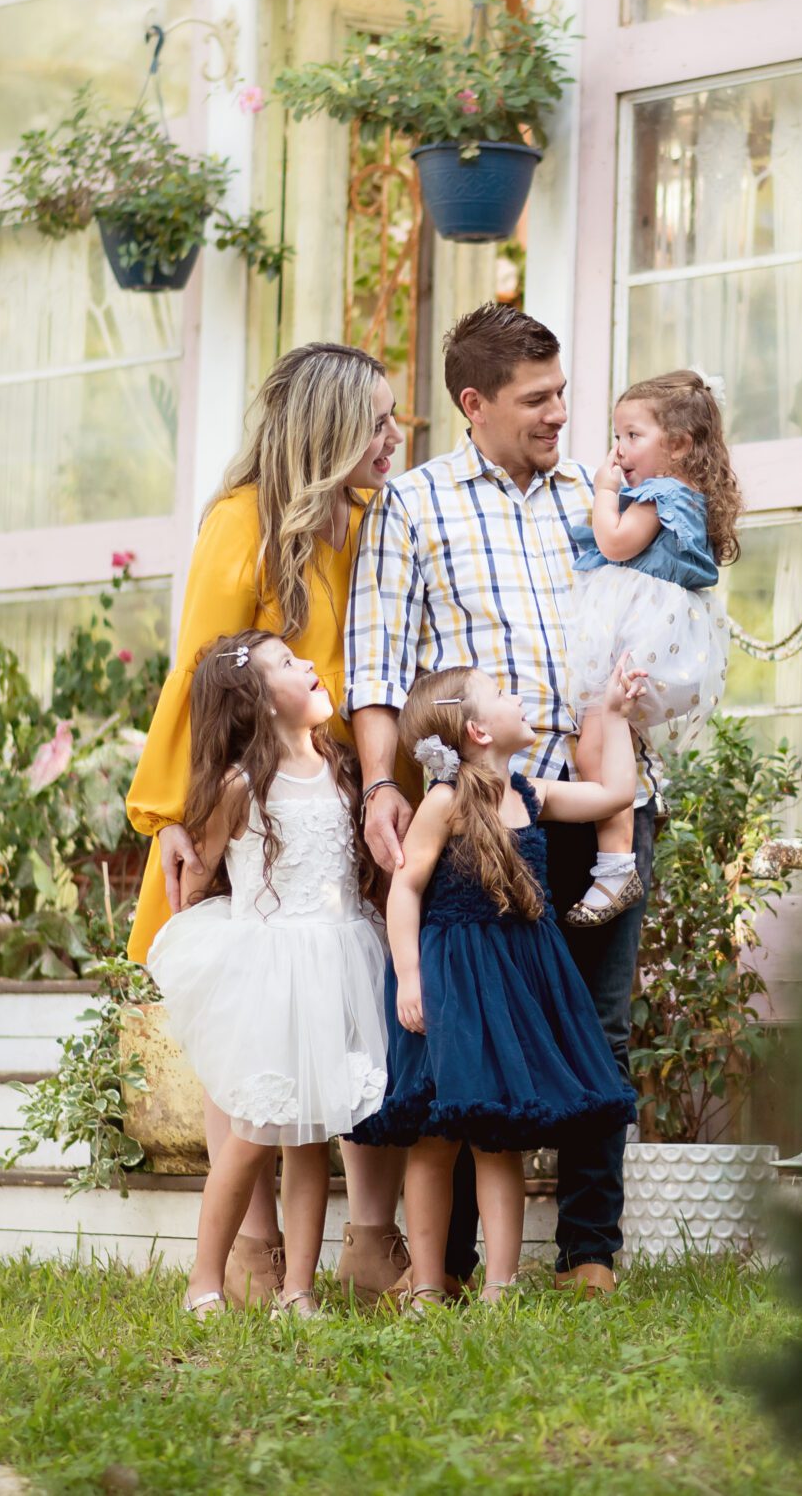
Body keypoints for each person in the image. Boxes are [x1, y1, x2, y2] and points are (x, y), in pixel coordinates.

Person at [345, 303, 658, 1297]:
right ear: (473, 403)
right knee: (476, 1032)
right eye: (537, 399)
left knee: (594, 1027)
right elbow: (377, 667)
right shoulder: (415, 504)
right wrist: (374, 787)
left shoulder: (599, 500)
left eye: (563, 391)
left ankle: (589, 1250)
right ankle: (461, 1263)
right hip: (481, 816)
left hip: (599, 798)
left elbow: (658, 611)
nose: (560, 413)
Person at [123, 341, 410, 1307]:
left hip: (351, 790)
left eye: (395, 416)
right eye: (375, 419)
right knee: (250, 1021)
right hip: (258, 802)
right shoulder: (242, 524)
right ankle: (251, 1249)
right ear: (326, 429)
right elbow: (201, 673)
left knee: (350, 1015)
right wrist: (174, 813)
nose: (393, 434)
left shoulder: (377, 521)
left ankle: (369, 1240)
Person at [351, 665, 644, 1306]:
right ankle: (429, 1281)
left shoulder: (529, 793)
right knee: (434, 1136)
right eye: (506, 693)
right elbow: (406, 888)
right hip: (452, 980)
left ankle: (501, 1287)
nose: (522, 698)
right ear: (479, 729)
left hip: (514, 979)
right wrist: (408, 975)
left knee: (497, 1136)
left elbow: (617, 794)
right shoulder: (444, 801)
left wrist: (617, 715)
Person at [146, 632, 391, 1318]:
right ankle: (204, 1278)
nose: (309, 664)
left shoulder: (343, 772)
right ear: (255, 699)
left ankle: (299, 1291)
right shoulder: (240, 788)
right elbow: (198, 875)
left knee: (312, 1136)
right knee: (255, 1131)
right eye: (287, 663)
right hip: (269, 971)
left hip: (334, 964)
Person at [559, 370, 738, 926]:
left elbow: (613, 543)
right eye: (616, 436)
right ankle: (614, 864)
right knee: (605, 743)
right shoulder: (672, 495)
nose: (618, 450)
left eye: (632, 436)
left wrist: (604, 491)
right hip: (640, 633)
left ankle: (616, 867)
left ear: (678, 445)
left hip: (636, 638)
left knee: (595, 745)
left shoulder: (661, 495)